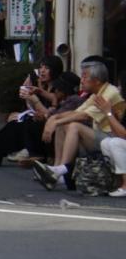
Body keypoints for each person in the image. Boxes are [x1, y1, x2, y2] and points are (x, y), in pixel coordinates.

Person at [32, 60, 126, 190]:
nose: (81, 80)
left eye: (85, 77)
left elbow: (84, 115)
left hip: (112, 137)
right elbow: (77, 112)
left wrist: (55, 121)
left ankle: (61, 173)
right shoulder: (97, 93)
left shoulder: (110, 92)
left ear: (97, 80)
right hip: (101, 137)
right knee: (64, 124)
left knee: (74, 126)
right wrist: (54, 119)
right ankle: (56, 168)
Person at [0, 65, 77, 167]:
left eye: (47, 68)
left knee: (29, 123)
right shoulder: (43, 88)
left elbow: (52, 115)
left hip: (50, 134)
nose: (42, 71)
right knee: (16, 124)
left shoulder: (72, 101)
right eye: (41, 67)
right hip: (41, 128)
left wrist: (37, 103)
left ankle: (36, 155)